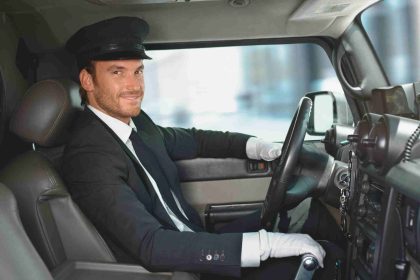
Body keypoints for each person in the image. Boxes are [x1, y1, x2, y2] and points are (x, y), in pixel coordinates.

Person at [62, 16, 343, 279]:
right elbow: (152, 245)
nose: (134, 85)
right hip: (180, 268)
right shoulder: (88, 155)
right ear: (88, 81)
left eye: (138, 71)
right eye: (117, 73)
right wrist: (265, 246)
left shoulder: (136, 123)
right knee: (328, 261)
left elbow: (196, 140)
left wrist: (254, 146)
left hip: (193, 238)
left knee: (309, 211)